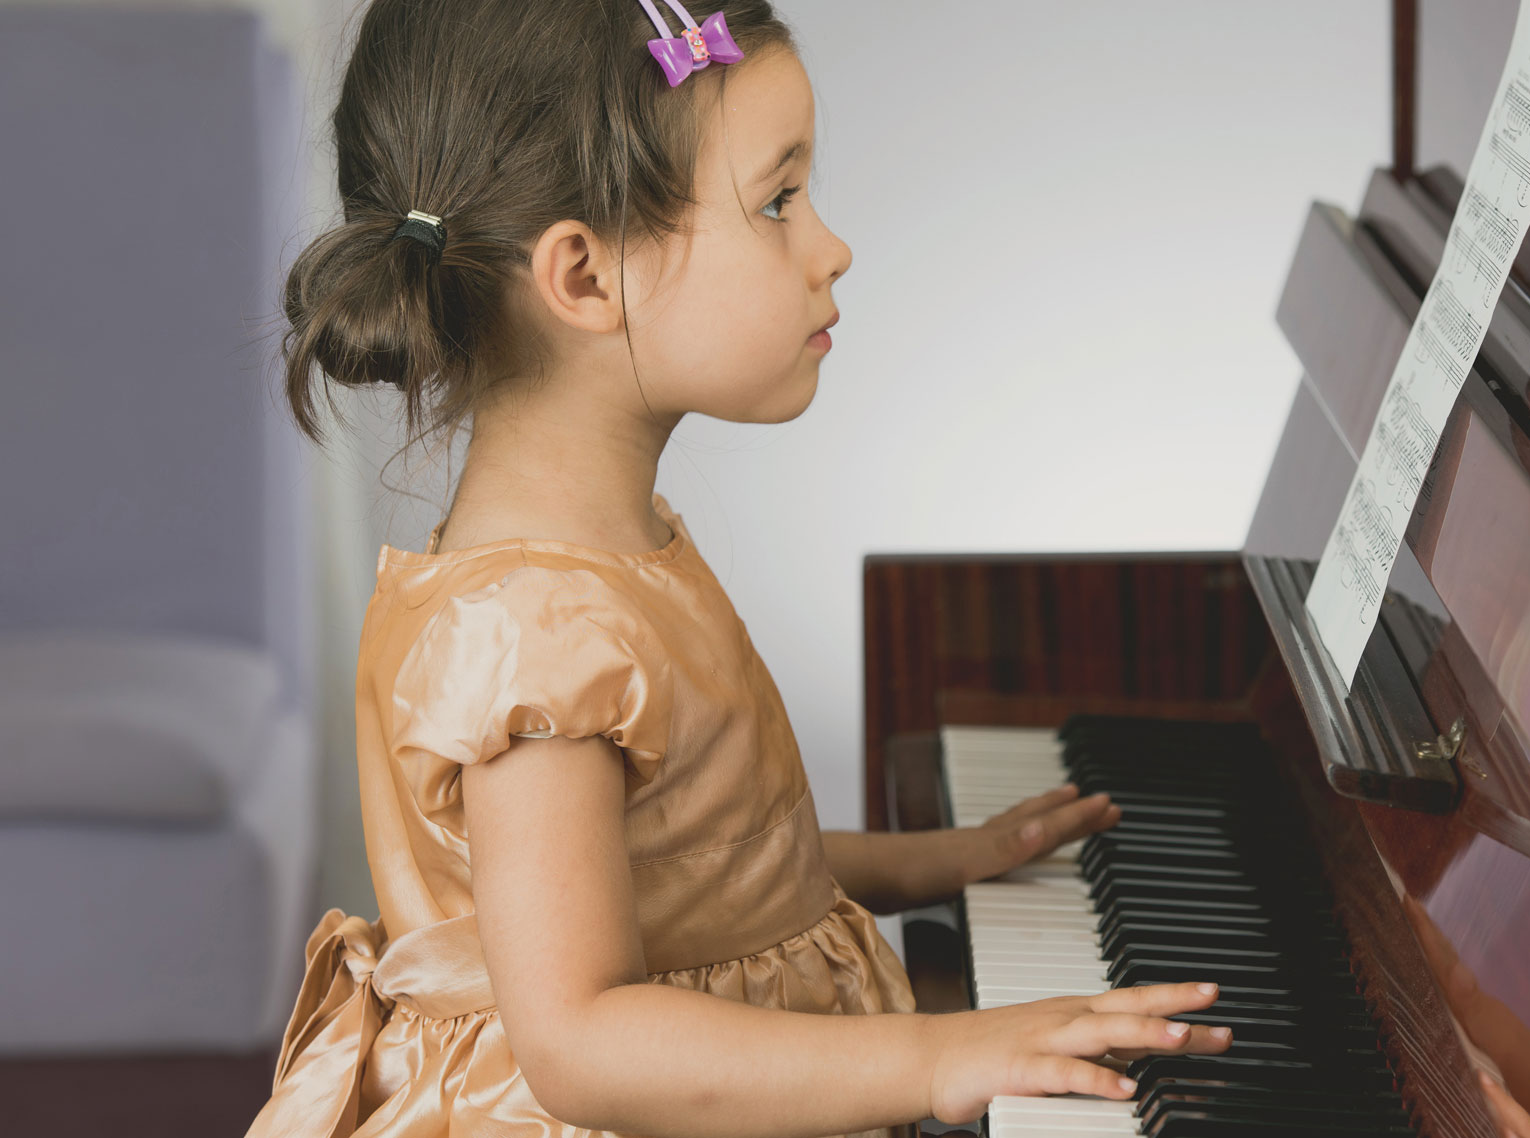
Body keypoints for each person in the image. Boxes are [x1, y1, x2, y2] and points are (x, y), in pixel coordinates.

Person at [244, 3, 1231, 1135]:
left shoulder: (603, 558)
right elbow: (578, 1041)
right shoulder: (530, 643)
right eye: (777, 201)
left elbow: (695, 879)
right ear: (582, 276)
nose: (831, 247)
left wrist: (934, 860)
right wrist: (945, 1053)